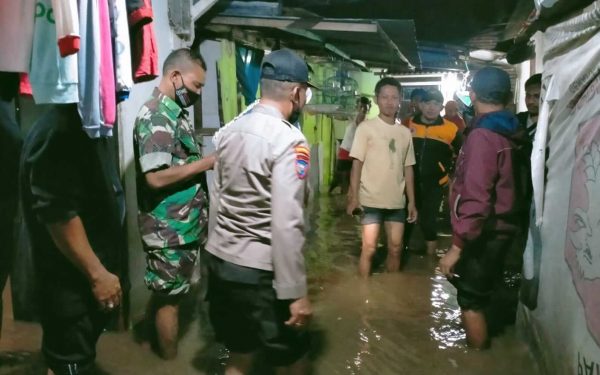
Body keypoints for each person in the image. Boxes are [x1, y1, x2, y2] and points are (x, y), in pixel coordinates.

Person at [206, 48, 314, 375]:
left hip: (222, 264)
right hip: (260, 274)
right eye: (306, 94)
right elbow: (286, 223)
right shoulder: (288, 141)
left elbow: (217, 200)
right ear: (296, 92)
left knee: (240, 354)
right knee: (294, 358)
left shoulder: (229, 131)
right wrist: (294, 292)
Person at [20, 104, 124, 375]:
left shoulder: (84, 124)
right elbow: (58, 213)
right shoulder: (60, 130)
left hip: (80, 287)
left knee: (69, 359)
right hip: (71, 288)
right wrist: (98, 274)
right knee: (70, 361)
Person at [439, 67, 531, 349]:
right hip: (504, 228)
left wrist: (456, 246)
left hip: (485, 233)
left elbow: (477, 198)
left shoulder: (483, 136)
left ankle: (477, 360)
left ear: (473, 94)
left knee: (470, 300)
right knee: (484, 292)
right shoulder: (511, 129)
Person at [133, 48, 214, 359]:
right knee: (170, 300)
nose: (197, 93)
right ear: (175, 76)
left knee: (171, 294)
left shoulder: (173, 115)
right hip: (168, 230)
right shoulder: (155, 115)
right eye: (196, 86)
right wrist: (207, 163)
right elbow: (155, 178)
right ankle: (168, 362)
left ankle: (157, 353)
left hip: (181, 227)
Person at [347, 77, 418, 278]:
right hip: (370, 200)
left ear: (400, 100)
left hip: (396, 201)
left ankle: (391, 294)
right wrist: (354, 197)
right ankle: (363, 296)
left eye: (394, 97)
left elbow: (409, 168)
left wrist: (412, 202)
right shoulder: (366, 128)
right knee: (368, 249)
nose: (389, 101)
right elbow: (356, 164)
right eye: (385, 97)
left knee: (396, 248)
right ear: (377, 99)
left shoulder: (405, 133)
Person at [406, 89, 461, 256]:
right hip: (408, 181)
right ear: (420, 105)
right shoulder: (408, 124)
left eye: (436, 104)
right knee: (405, 219)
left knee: (429, 221)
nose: (431, 108)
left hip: (435, 183)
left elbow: (463, 154)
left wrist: (451, 176)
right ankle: (401, 254)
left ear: (441, 107)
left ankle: (429, 263)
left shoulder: (451, 128)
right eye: (428, 103)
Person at [329, 96, 371, 195]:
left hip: (354, 154)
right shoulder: (352, 116)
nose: (362, 109)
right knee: (339, 179)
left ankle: (348, 202)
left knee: (349, 181)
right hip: (345, 152)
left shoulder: (365, 121)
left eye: (364, 107)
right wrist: (332, 114)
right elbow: (339, 116)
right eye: (361, 106)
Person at [516, 73, 542, 140]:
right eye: (528, 95)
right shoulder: (517, 120)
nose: (530, 101)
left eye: (537, 96)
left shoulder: (555, 122)